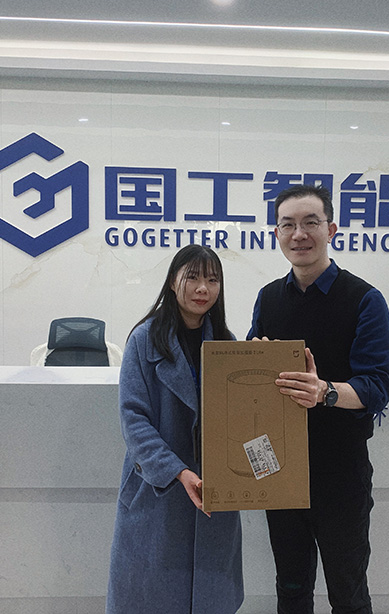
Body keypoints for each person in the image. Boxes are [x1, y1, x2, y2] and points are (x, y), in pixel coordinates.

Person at [247, 185, 389, 614]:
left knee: (348, 595)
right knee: (291, 589)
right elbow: (254, 378)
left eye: (310, 223)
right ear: (276, 234)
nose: (299, 234)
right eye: (288, 225)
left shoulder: (364, 299)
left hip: (340, 472)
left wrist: (324, 392)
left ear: (331, 230)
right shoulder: (268, 298)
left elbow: (377, 385)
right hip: (278, 468)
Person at [106, 244, 243, 614]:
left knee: (211, 597)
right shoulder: (144, 339)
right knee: (151, 597)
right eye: (193, 277)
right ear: (172, 281)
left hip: (215, 492)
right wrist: (177, 471)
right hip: (159, 492)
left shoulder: (227, 344)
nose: (203, 288)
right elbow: (134, 420)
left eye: (212, 280)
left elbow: (240, 419)